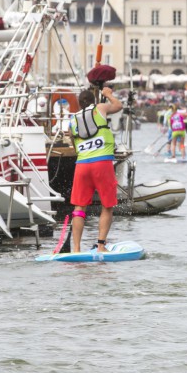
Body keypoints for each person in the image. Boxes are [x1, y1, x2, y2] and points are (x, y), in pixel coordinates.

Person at [68, 85, 123, 253]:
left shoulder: (73, 119)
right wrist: (108, 94)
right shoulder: (100, 108)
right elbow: (118, 106)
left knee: (79, 208)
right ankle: (100, 246)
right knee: (107, 206)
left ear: (79, 104)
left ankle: (76, 248)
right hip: (102, 163)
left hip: (82, 165)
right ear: (94, 101)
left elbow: (74, 143)